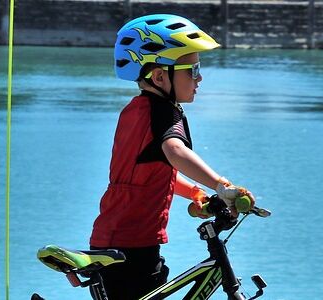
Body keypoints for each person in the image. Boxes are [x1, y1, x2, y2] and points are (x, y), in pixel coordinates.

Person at [89, 14, 257, 299]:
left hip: (117, 237)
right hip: (132, 245)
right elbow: (175, 151)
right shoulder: (163, 112)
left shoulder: (134, 110)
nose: (199, 78)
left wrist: (195, 192)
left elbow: (152, 169)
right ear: (159, 76)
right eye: (192, 70)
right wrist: (221, 185)